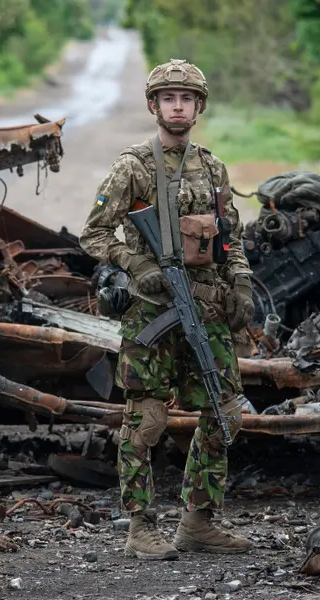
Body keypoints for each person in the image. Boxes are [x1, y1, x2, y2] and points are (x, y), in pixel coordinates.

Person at [79, 59, 255, 560]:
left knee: (225, 415)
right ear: (154, 106)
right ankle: (140, 526)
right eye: (168, 99)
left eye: (186, 99)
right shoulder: (132, 165)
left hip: (209, 307)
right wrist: (136, 263)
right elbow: (93, 233)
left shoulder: (214, 167)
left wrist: (240, 282)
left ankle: (198, 521)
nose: (177, 107)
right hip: (152, 310)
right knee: (147, 419)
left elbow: (231, 238)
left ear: (198, 107)